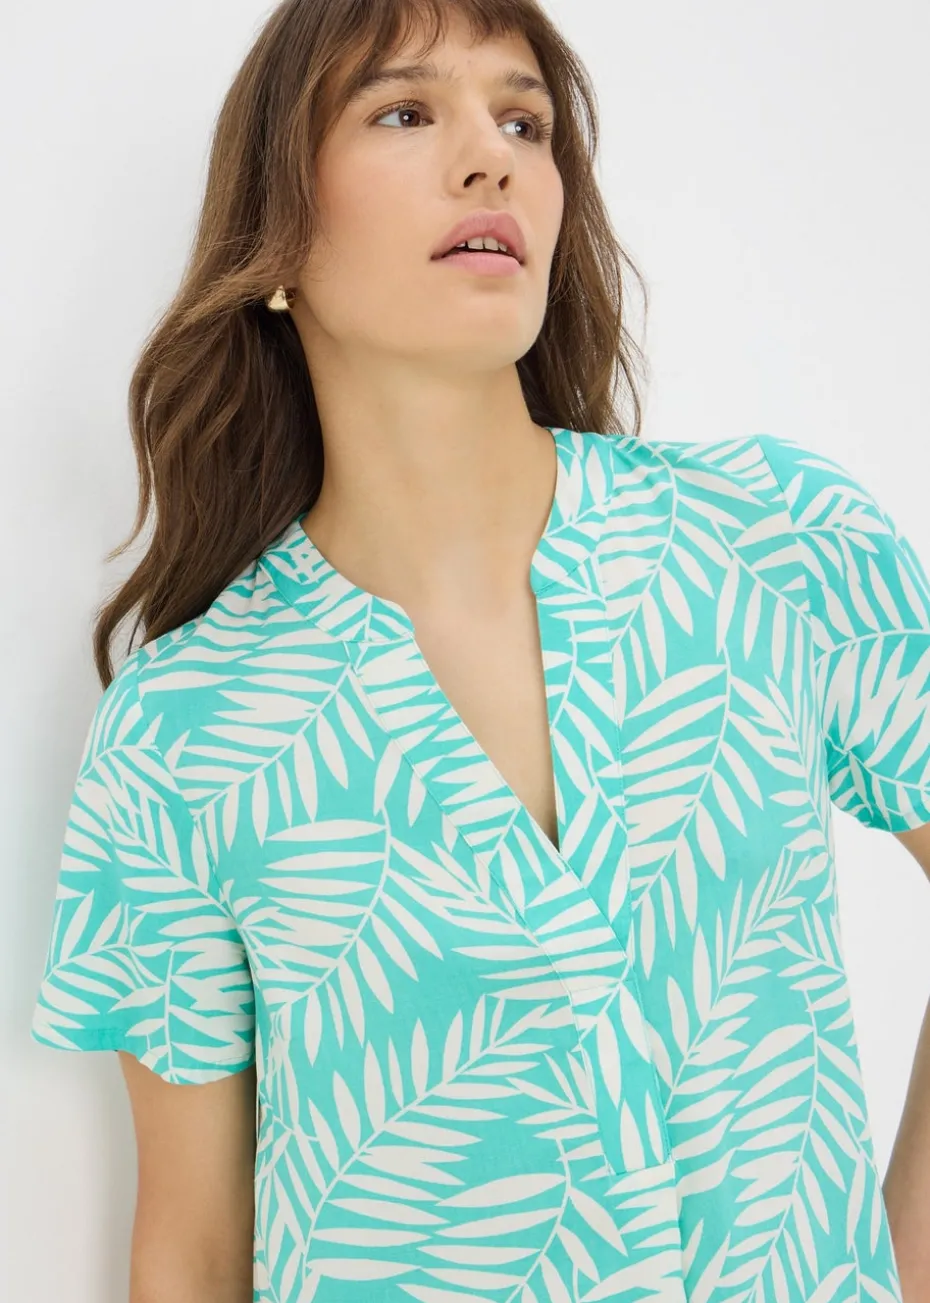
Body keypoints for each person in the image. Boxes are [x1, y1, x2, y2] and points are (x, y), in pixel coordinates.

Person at [28, 0, 930, 1300]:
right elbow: (192, 1250)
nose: (489, 158)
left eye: (523, 120)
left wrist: (897, 1264)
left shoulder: (772, 542)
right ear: (274, 236)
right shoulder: (185, 731)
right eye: (406, 111)